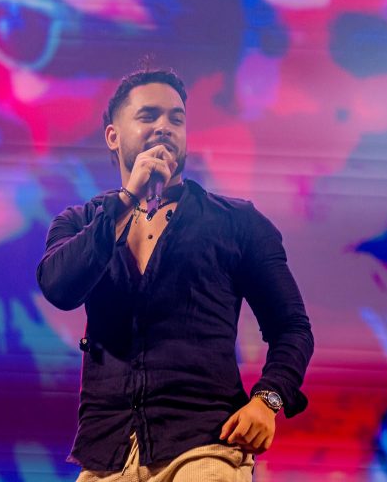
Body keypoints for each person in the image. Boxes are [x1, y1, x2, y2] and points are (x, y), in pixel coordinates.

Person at [37, 69, 314, 481]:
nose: (164, 126)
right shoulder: (80, 222)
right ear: (113, 136)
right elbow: (60, 288)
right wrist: (127, 199)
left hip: (204, 446)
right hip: (107, 453)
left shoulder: (237, 222)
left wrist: (267, 400)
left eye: (176, 118)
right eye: (149, 115)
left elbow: (292, 328)